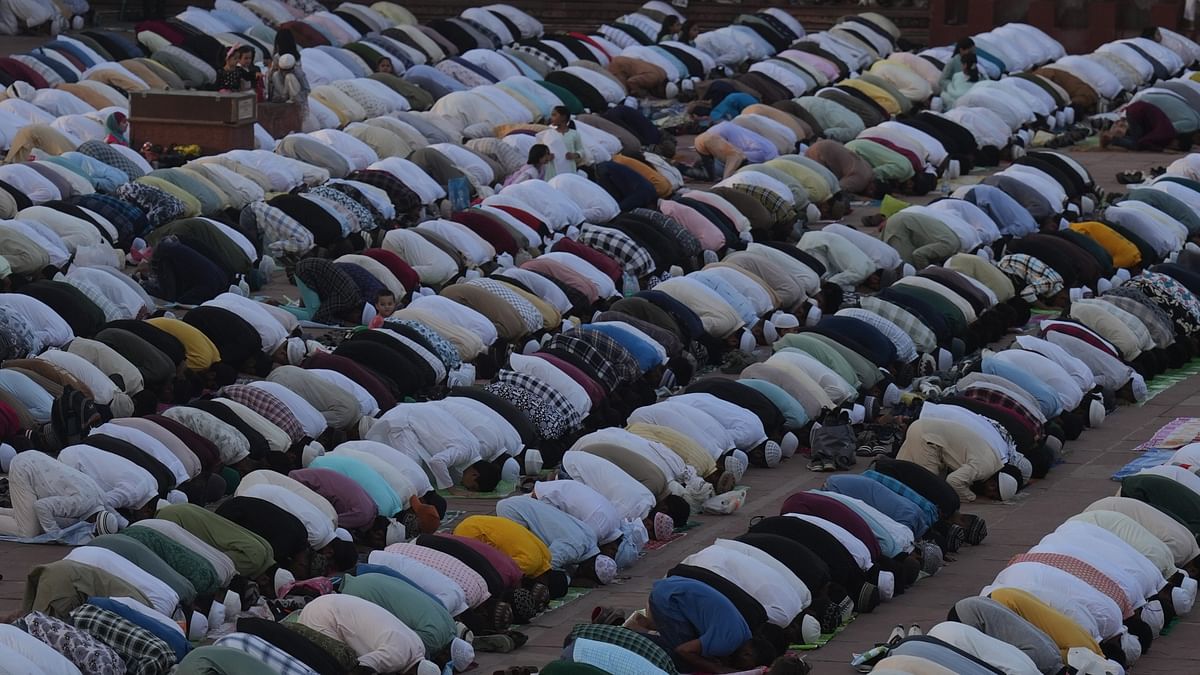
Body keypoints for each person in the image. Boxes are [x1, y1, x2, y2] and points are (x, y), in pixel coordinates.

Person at [627, 576, 776, 673]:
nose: (739, 670)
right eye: (745, 668)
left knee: (697, 656)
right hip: (669, 598)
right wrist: (719, 669)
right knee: (682, 662)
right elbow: (683, 650)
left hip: (674, 587)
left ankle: (637, 627)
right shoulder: (728, 642)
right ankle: (628, 637)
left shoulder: (744, 636)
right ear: (747, 654)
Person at [550, 106, 587, 172]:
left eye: (554, 115)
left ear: (563, 117)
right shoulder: (549, 133)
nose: (551, 118)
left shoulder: (574, 134)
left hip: (569, 168)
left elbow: (581, 150)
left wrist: (574, 155)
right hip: (553, 168)